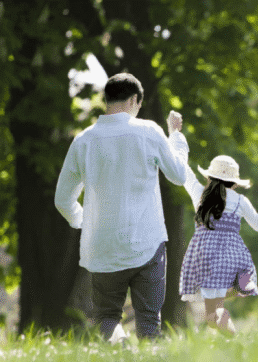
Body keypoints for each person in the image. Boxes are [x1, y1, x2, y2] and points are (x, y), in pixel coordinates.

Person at [55, 72, 189, 343]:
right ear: (134, 100)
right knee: (149, 319)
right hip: (146, 242)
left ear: (107, 100)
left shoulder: (83, 140)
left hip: (102, 245)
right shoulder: (149, 131)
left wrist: (84, 221)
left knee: (107, 317)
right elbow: (178, 175)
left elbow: (62, 200)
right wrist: (176, 136)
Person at [179, 155, 258, 335]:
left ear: (209, 177)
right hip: (231, 258)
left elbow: (185, 171)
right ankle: (236, 287)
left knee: (213, 316)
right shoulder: (240, 200)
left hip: (206, 260)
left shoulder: (200, 194)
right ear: (235, 183)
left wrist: (175, 135)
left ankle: (238, 342)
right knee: (213, 316)